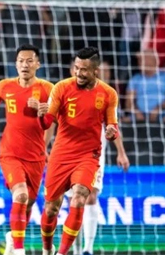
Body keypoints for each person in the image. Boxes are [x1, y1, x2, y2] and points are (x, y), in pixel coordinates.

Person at [37, 47, 119, 255]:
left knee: (81, 197)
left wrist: (111, 133)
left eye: (84, 69)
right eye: (76, 68)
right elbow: (48, 122)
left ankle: (65, 252)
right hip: (61, 155)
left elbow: (112, 126)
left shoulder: (109, 94)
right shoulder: (61, 88)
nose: (79, 73)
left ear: (95, 71)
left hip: (88, 156)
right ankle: (47, 249)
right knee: (51, 209)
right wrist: (41, 115)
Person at [0, 45, 54, 255]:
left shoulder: (48, 89)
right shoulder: (5, 85)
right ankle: (20, 250)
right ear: (16, 64)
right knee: (20, 195)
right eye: (21, 61)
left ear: (38, 64)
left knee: (28, 202)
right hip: (10, 153)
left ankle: (13, 239)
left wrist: (44, 111)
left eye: (29, 61)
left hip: (36, 156)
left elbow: (54, 120)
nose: (25, 65)